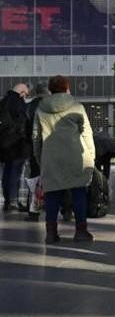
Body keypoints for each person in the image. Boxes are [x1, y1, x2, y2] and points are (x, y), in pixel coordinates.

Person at [31, 76, 95, 243]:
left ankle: (51, 233)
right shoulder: (77, 106)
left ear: (50, 89)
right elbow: (87, 134)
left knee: (52, 195)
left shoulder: (40, 108)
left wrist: (40, 158)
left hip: (51, 157)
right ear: (67, 88)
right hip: (75, 156)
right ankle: (81, 232)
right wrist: (91, 157)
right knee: (78, 192)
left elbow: (36, 137)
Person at [1, 83, 31, 212]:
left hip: (4, 145)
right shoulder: (18, 103)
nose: (25, 97)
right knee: (15, 173)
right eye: (26, 94)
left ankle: (8, 200)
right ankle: (13, 201)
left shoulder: (3, 102)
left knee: (7, 173)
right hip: (17, 144)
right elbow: (23, 123)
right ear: (22, 92)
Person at [24, 83, 49, 221]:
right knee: (58, 179)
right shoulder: (51, 106)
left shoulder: (29, 106)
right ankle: (65, 209)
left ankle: (34, 211)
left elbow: (27, 129)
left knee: (35, 179)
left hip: (34, 148)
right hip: (52, 147)